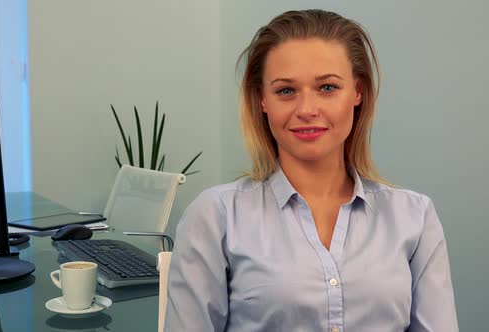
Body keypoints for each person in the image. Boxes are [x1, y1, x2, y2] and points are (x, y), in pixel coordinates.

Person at [164, 9, 458, 332]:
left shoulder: (415, 218)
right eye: (286, 91)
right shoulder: (214, 217)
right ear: (263, 99)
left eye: (328, 88)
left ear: (358, 92)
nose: (306, 110)